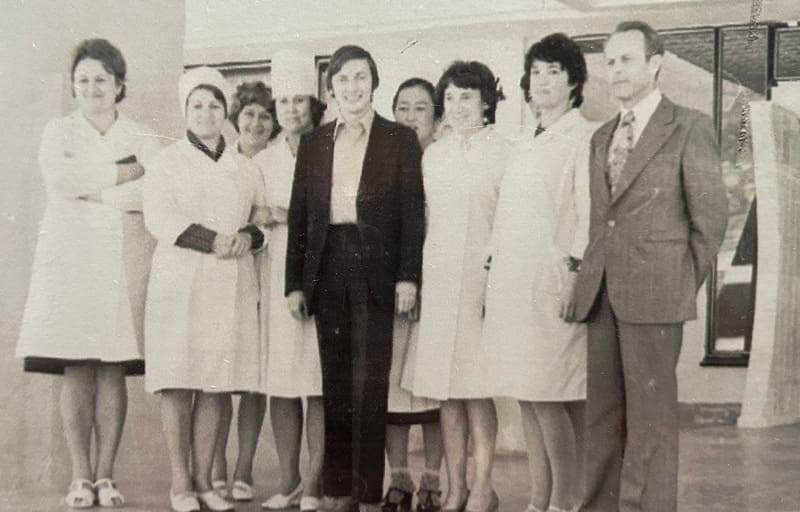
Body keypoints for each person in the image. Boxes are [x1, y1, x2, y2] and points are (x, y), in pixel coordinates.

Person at [564, 21, 728, 512]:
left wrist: (675, 281)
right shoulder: (600, 137)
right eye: (609, 61)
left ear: (655, 64)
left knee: (651, 422)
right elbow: (600, 223)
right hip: (602, 296)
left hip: (656, 297)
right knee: (603, 418)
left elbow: (711, 222)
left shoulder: (690, 126)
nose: (615, 70)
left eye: (626, 60)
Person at [16, 38, 160, 509]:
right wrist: (122, 174)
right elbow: (60, 181)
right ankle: (80, 477)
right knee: (76, 367)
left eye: (101, 79)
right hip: (70, 262)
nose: (92, 87)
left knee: (111, 368)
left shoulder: (140, 136)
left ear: (119, 84)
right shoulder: (58, 131)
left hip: (121, 262)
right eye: (83, 80)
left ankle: (106, 476)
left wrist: (94, 188)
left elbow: (149, 193)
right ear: (73, 86)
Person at [285, 44, 426, 512]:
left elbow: (411, 215)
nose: (352, 86)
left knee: (370, 384)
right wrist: (295, 283)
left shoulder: (398, 139)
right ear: (331, 88)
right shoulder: (314, 142)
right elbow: (302, 217)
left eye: (361, 77)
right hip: (328, 266)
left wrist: (408, 277)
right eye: (343, 79)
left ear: (374, 82)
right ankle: (337, 490)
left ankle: (367, 493)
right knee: (336, 384)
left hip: (378, 268)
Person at [143, 66, 269, 512]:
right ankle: (181, 483)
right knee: (178, 382)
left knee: (215, 384)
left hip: (229, 284)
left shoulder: (244, 166)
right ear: (185, 111)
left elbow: (262, 218)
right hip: (180, 284)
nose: (207, 112)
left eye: (215, 104)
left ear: (225, 112)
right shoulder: (165, 162)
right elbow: (158, 218)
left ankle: (204, 482)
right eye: (197, 105)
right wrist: (212, 239)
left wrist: (248, 237)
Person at [482, 33, 594, 512]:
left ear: (573, 82)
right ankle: (538, 498)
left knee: (551, 396)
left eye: (554, 70)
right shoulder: (524, 139)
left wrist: (574, 272)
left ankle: (567, 502)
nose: (542, 80)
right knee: (526, 395)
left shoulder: (584, 136)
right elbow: (507, 212)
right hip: (513, 281)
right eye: (537, 71)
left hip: (553, 283)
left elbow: (588, 213)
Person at [410, 60, 509, 512]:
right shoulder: (434, 155)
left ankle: (484, 486)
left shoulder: (505, 152)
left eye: (466, 97)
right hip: (440, 281)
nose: (456, 107)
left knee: (476, 387)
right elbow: (424, 223)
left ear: (486, 101)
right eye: (449, 98)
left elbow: (508, 224)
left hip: (483, 282)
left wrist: (496, 280)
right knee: (446, 389)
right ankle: (456, 487)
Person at [254, 48, 327, 512]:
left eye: (300, 100)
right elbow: (255, 217)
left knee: (318, 382)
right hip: (276, 274)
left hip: (322, 274)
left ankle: (316, 483)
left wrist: (285, 215)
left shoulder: (331, 149)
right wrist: (273, 217)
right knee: (282, 382)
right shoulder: (263, 161)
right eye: (284, 103)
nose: (292, 110)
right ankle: (288, 480)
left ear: (313, 104)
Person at [211, 80, 278, 502]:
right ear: (235, 118)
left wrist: (268, 217)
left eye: (265, 115)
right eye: (249, 113)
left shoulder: (277, 162)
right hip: (221, 276)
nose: (256, 122)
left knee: (254, 379)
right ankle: (214, 464)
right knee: (217, 375)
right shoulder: (219, 159)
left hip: (266, 274)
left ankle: (243, 467)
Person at [383, 78, 444, 512]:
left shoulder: (443, 160)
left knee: (437, 390)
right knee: (393, 390)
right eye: (402, 108)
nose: (410, 117)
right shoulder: (384, 161)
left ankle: (434, 480)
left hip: (440, 290)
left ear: (436, 117)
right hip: (394, 291)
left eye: (420, 108)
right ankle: (399, 477)